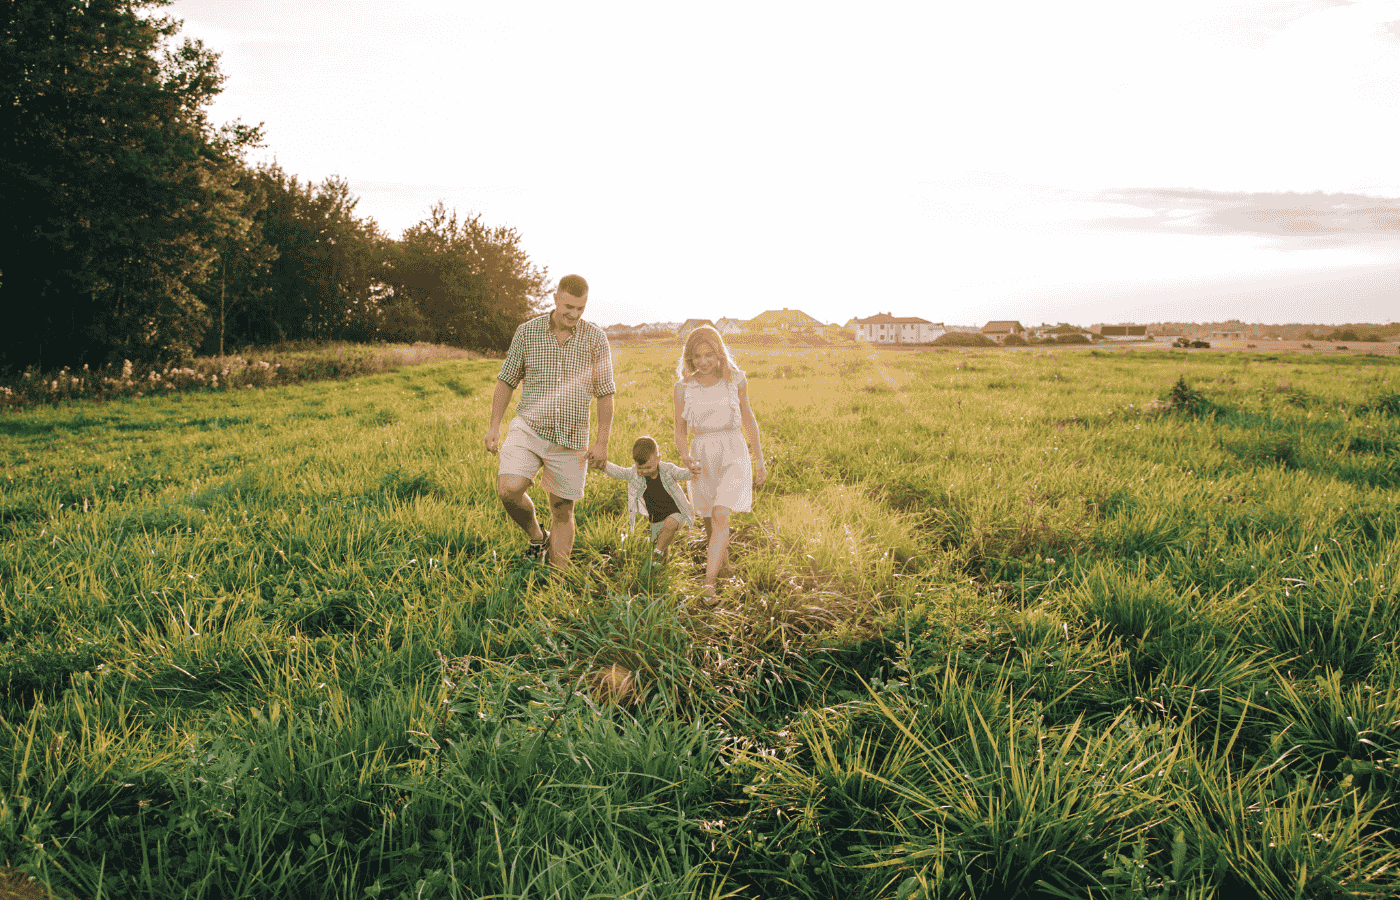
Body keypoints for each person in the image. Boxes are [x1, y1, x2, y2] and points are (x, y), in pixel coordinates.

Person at [484, 275, 614, 568]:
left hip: (570, 437)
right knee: (509, 488)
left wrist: (602, 442)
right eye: (569, 306)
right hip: (529, 428)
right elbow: (506, 381)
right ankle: (536, 535)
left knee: (562, 510)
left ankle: (556, 579)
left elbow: (606, 394)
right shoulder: (527, 332)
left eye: (581, 308)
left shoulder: (595, 339)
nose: (574, 314)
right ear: (556, 297)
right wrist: (494, 425)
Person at [673, 325, 766, 599]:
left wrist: (759, 460)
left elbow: (749, 420)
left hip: (733, 450)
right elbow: (679, 428)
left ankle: (708, 582)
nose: (703, 362)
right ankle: (724, 570)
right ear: (689, 358)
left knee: (721, 514)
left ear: (719, 354)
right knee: (710, 520)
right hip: (701, 454)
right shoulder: (683, 388)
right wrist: (684, 456)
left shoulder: (736, 380)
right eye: (697, 356)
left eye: (709, 355)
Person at [603, 435, 696, 565]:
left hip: (676, 512)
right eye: (640, 468)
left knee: (669, 525)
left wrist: (693, 470)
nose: (644, 471)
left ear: (658, 459)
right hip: (656, 519)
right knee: (661, 548)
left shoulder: (668, 469)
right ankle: (660, 570)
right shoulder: (634, 473)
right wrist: (603, 465)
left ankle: (656, 554)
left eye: (648, 468)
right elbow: (619, 472)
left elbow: (682, 474)